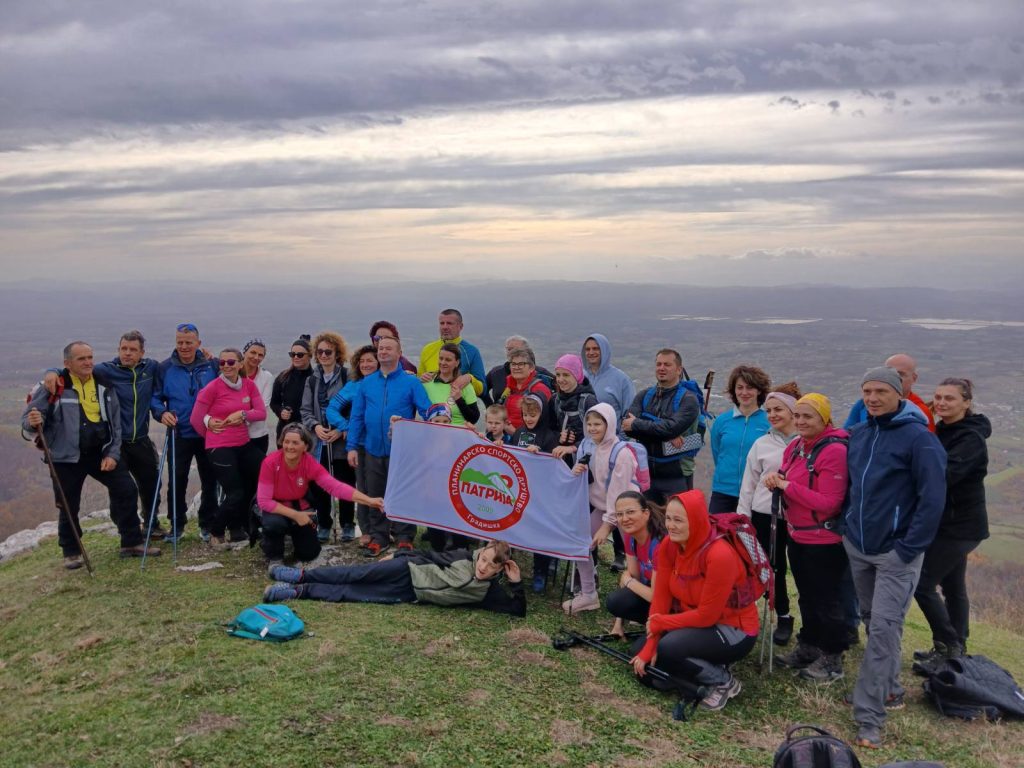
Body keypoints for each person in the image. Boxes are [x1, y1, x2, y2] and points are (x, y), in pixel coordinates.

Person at [843, 366, 946, 749]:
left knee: (884, 629)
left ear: (898, 393)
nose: (871, 398)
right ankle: (888, 686)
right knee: (873, 620)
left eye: (879, 392)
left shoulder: (919, 439)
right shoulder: (860, 433)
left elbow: (933, 500)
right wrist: (846, 528)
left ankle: (868, 716)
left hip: (895, 553)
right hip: (858, 545)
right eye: (866, 391)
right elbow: (850, 485)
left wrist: (907, 548)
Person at [22, 341, 157, 568]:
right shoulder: (54, 386)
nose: (88, 363)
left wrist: (113, 454)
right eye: (81, 359)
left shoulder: (104, 384)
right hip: (65, 458)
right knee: (68, 504)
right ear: (67, 363)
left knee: (126, 488)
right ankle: (71, 551)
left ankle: (131, 542)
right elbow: (29, 422)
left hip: (98, 453)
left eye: (90, 357)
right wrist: (33, 421)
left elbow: (115, 426)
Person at [630, 489, 759, 711]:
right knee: (639, 652)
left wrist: (661, 623)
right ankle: (687, 673)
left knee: (669, 648)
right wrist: (650, 644)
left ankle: (722, 680)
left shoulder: (719, 555)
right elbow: (660, 599)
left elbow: (707, 616)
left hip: (734, 629)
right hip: (694, 620)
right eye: (669, 518)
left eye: (679, 520)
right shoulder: (669, 546)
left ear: (696, 521)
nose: (671, 525)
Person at [42, 330, 165, 537]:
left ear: (142, 352)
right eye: (123, 349)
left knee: (151, 482)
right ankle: (124, 528)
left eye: (133, 350)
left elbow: (175, 363)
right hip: (115, 443)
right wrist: (51, 371)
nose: (127, 353)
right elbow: (74, 368)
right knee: (121, 488)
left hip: (141, 438)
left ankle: (151, 524)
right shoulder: (105, 371)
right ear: (118, 350)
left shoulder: (151, 368)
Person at [766, 393, 851, 681]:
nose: (801, 421)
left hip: (825, 541)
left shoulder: (834, 451)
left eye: (808, 416)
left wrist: (786, 486)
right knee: (807, 596)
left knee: (826, 599)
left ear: (824, 419)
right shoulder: (797, 446)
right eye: (799, 416)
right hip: (797, 534)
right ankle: (809, 646)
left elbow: (830, 503)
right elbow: (784, 475)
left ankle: (832, 657)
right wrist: (775, 480)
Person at [913, 378, 990, 670]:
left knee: (922, 583)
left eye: (951, 398)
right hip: (948, 523)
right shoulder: (941, 430)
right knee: (953, 586)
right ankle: (954, 646)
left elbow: (943, 476)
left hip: (961, 526)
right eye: (939, 397)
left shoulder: (970, 438)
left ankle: (949, 643)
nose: (943, 403)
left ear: (966, 403)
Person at [263, 540, 526, 617]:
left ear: (499, 570)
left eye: (491, 566)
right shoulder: (463, 556)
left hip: (412, 594)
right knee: (356, 573)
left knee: (353, 593)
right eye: (483, 559)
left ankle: (299, 591)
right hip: (407, 569)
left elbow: (517, 610)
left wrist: (517, 584)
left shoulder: (488, 593)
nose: (483, 567)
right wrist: (398, 555)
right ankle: (300, 575)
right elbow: (430, 554)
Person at [347, 335, 432, 557]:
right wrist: (352, 447)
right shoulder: (367, 382)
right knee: (376, 494)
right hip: (373, 449)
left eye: (388, 349)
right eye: (381, 348)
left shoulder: (411, 382)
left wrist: (443, 418)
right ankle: (380, 537)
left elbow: (427, 410)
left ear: (399, 352)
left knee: (403, 493)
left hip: (402, 452)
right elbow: (356, 416)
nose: (383, 352)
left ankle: (404, 537)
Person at [256, 424, 385, 564]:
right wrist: (296, 515)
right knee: (274, 525)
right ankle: (275, 557)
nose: (289, 446)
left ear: (305, 446)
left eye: (295, 442)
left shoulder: (309, 463)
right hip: (276, 507)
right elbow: (264, 501)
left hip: (300, 506)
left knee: (309, 554)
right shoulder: (270, 462)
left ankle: (292, 536)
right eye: (286, 442)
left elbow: (335, 487)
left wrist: (369, 500)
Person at [736, 383, 801, 645]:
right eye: (769, 410)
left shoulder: (805, 442)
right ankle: (782, 615)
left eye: (778, 410)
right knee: (771, 568)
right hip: (764, 514)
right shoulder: (762, 443)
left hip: (798, 517)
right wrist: (743, 518)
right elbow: (749, 482)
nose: (772, 415)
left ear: (793, 411)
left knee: (801, 571)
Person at [190, 347, 267, 548]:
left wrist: (243, 415)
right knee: (235, 493)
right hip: (220, 447)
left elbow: (260, 413)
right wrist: (212, 432)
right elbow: (196, 419)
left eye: (231, 362)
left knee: (267, 471)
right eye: (222, 363)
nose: (226, 366)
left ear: (240, 364)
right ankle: (216, 531)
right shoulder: (212, 388)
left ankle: (246, 526)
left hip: (243, 444)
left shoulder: (249, 386)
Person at [566, 403, 638, 613]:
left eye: (598, 424)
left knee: (636, 557)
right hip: (602, 507)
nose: (593, 428)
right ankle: (588, 594)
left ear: (610, 425)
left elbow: (618, 496)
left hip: (628, 511)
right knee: (581, 544)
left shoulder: (622, 453)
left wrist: (607, 527)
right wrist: (576, 470)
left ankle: (640, 602)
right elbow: (581, 480)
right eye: (589, 424)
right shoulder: (587, 446)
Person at [151, 322, 219, 542]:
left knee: (210, 480)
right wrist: (161, 413)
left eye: (189, 342)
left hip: (208, 433)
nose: (184, 346)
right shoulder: (164, 368)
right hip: (179, 433)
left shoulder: (212, 365)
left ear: (198, 343)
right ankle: (177, 525)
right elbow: (155, 397)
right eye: (180, 342)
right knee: (177, 480)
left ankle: (207, 524)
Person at [622, 348, 701, 502]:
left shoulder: (689, 399)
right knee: (648, 524)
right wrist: (664, 432)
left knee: (677, 524)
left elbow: (670, 428)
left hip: (676, 477)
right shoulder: (644, 395)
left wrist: (638, 424)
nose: (661, 368)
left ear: (679, 370)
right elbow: (628, 428)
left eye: (667, 364)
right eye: (658, 364)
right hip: (646, 476)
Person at [300, 331, 352, 543]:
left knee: (346, 481)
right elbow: (305, 410)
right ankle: (324, 523)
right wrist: (315, 427)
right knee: (320, 484)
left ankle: (348, 523)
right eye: (319, 351)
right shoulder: (312, 380)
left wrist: (341, 429)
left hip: (342, 439)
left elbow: (353, 407)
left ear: (336, 353)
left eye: (328, 351)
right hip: (318, 440)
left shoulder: (348, 377)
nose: (323, 355)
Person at [326, 344, 379, 547]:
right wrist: (345, 426)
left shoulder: (386, 383)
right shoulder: (353, 385)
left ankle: (384, 528)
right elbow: (331, 409)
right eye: (362, 361)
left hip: (386, 444)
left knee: (383, 486)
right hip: (362, 445)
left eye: (370, 361)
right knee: (364, 488)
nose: (365, 364)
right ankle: (367, 530)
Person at [510, 393, 562, 591]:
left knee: (540, 532)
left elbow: (555, 467)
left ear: (542, 413)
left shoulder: (550, 437)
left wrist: (540, 455)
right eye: (525, 414)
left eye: (533, 414)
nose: (529, 418)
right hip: (520, 492)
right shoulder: (518, 433)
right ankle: (507, 564)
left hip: (542, 495)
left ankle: (540, 570)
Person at [708, 365, 771, 514]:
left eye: (749, 388)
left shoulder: (769, 422)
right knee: (720, 536)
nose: (744, 392)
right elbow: (718, 453)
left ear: (759, 390)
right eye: (739, 387)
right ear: (733, 390)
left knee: (753, 537)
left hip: (757, 492)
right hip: (723, 491)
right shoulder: (722, 421)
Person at [605, 491, 665, 636]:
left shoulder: (659, 544)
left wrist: (629, 581)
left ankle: (663, 628)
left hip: (668, 603)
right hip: (651, 594)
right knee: (615, 601)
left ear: (646, 513)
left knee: (636, 652)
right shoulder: (630, 537)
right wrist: (618, 625)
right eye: (619, 514)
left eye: (630, 512)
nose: (624, 519)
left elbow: (656, 596)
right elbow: (632, 576)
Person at [844, 353, 936, 433]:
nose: (894, 378)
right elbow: (846, 434)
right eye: (889, 372)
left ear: (914, 378)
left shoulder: (920, 412)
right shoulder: (863, 404)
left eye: (900, 374)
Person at [417, 309, 486, 396]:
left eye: (449, 323)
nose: (445, 327)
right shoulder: (427, 349)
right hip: (432, 407)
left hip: (458, 405)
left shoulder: (471, 351)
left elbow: (483, 390)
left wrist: (470, 378)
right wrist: (421, 379)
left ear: (460, 326)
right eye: (442, 323)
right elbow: (418, 382)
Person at [549, 353, 597, 459]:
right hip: (561, 460)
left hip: (586, 462)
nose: (560, 379)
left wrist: (573, 447)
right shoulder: (555, 400)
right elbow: (548, 430)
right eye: (558, 375)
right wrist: (559, 437)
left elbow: (597, 436)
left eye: (566, 375)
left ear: (576, 375)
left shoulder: (588, 401)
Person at [484, 336, 555, 405]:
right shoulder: (496, 372)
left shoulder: (541, 373)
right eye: (509, 349)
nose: (512, 352)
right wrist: (490, 407)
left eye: (516, 349)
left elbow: (559, 386)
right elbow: (482, 390)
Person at [581, 333, 635, 424]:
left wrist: (621, 437)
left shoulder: (621, 379)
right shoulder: (580, 377)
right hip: (585, 437)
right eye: (587, 349)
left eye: (596, 348)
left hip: (612, 436)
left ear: (604, 350)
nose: (591, 352)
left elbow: (629, 414)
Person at [422, 342, 480, 427]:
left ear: (457, 362)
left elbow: (474, 418)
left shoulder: (465, 385)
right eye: (441, 358)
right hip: (434, 434)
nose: (443, 362)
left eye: (448, 360)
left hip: (458, 434)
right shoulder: (427, 383)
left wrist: (459, 399)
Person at [270, 336, 313, 442]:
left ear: (310, 356)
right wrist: (281, 412)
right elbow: (274, 402)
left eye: (300, 354)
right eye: (292, 354)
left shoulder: (315, 378)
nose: (295, 357)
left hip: (308, 434)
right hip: (285, 432)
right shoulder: (283, 377)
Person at [500, 347, 552, 431]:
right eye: (513, 364)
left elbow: (542, 425)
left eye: (521, 364)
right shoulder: (510, 387)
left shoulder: (540, 389)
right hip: (507, 438)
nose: (516, 367)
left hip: (527, 440)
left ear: (531, 368)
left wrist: (515, 434)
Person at [241, 338, 274, 455]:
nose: (256, 357)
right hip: (235, 434)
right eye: (253, 352)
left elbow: (263, 406)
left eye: (260, 355)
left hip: (258, 434)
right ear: (244, 352)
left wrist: (240, 417)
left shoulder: (267, 377)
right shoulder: (233, 373)